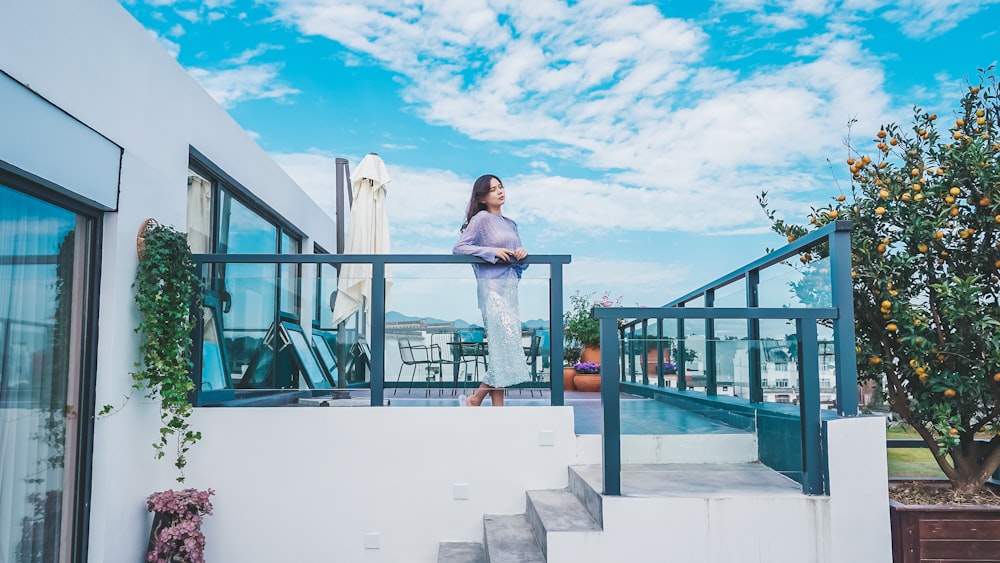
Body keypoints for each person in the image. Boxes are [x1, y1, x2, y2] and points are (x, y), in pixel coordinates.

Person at [452, 174, 531, 406]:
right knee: (504, 348)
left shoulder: (511, 224)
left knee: (502, 351)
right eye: (493, 189)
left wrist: (522, 255)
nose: (500, 191)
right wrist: (491, 251)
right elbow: (459, 248)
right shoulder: (481, 219)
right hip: (492, 292)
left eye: (501, 187)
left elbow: (519, 264)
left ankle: (485, 403)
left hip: (510, 291)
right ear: (483, 197)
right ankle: (479, 400)